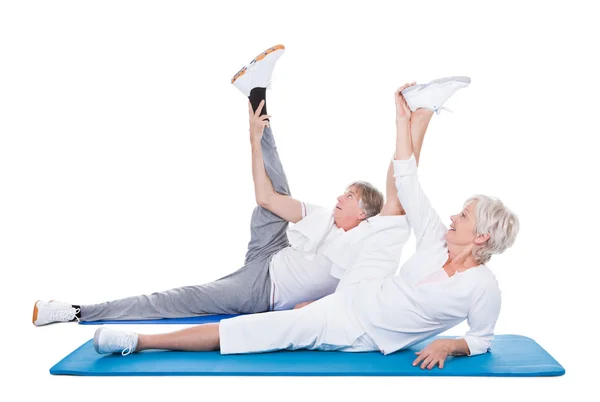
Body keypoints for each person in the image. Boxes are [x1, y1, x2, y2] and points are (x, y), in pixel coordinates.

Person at [90, 81, 519, 370]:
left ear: (481, 237)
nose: (452, 217)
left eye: (462, 216)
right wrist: (399, 118)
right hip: (366, 286)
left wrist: (453, 343)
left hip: (356, 327)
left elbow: (482, 338)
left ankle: (139, 341)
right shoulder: (435, 243)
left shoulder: (483, 287)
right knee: (401, 197)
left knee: (249, 330)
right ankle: (422, 110)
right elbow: (405, 177)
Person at [33, 45, 465, 326]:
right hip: (273, 251)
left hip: (262, 289)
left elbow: (393, 205)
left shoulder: (364, 246)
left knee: (177, 299)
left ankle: (74, 311)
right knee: (279, 186)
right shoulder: (325, 218)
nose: (338, 197)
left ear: (362, 214)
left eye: (347, 197)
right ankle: (255, 93)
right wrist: (253, 139)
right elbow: (265, 198)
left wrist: (309, 310)